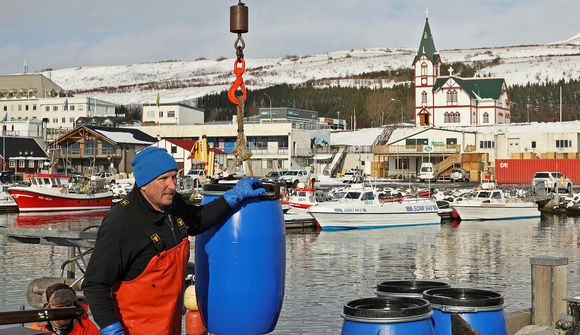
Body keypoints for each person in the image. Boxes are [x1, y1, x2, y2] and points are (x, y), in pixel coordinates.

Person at [82, 147, 265, 335]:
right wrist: (112, 329)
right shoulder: (121, 222)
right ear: (143, 184)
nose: (172, 186)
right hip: (135, 329)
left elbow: (198, 220)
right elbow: (94, 285)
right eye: (163, 179)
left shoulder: (171, 204)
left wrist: (232, 196)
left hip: (170, 326)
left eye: (174, 177)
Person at [29, 283, 99, 335]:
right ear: (49, 307)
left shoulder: (86, 327)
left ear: (74, 305)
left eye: (68, 305)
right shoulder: (36, 330)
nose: (65, 311)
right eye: (60, 307)